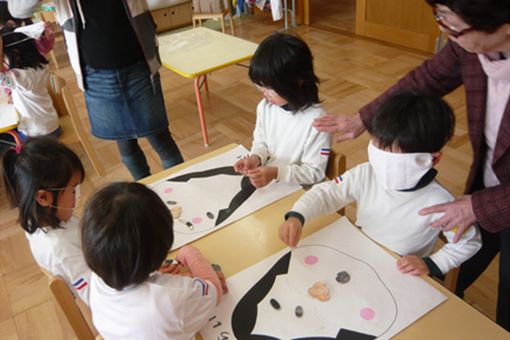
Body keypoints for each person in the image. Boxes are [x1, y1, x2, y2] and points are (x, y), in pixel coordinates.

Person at [313, 0, 509, 330]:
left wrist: (479, 206)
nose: (443, 29)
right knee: (451, 276)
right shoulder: (469, 44)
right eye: (439, 16)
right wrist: (364, 118)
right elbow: (427, 78)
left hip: (493, 198)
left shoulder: (434, 202)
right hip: (486, 184)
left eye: (452, 23)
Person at [280, 91, 482, 279]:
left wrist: (432, 263)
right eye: (378, 149)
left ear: (432, 159)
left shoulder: (441, 203)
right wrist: (299, 214)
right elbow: (327, 194)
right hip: (356, 257)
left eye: (395, 159)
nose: (383, 165)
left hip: (397, 276)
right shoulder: (367, 173)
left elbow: (469, 241)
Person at [8, 0, 184, 180]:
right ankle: (145, 195)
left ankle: (184, 189)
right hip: (95, 74)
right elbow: (18, 10)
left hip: (140, 65)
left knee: (160, 138)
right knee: (126, 146)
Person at [82, 182, 225, 339]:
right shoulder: (172, 298)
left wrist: (150, 275)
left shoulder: (97, 278)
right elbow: (215, 291)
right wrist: (189, 253)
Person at [234, 32, 331, 188]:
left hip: (300, 192)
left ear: (297, 81)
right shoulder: (265, 107)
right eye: (260, 89)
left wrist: (276, 172)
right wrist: (255, 157)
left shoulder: (318, 122)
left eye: (270, 90)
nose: (265, 96)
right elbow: (261, 142)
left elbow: (314, 173)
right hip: (274, 186)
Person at [1, 136, 90, 304]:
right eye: (73, 189)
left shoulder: (34, 222)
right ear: (43, 197)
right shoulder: (62, 249)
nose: (78, 194)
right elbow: (95, 296)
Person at [0, 31, 60, 140]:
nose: (3, 63)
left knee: (9, 139)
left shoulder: (19, 76)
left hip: (37, 134)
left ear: (16, 54)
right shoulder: (39, 67)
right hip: (52, 126)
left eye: (3, 58)